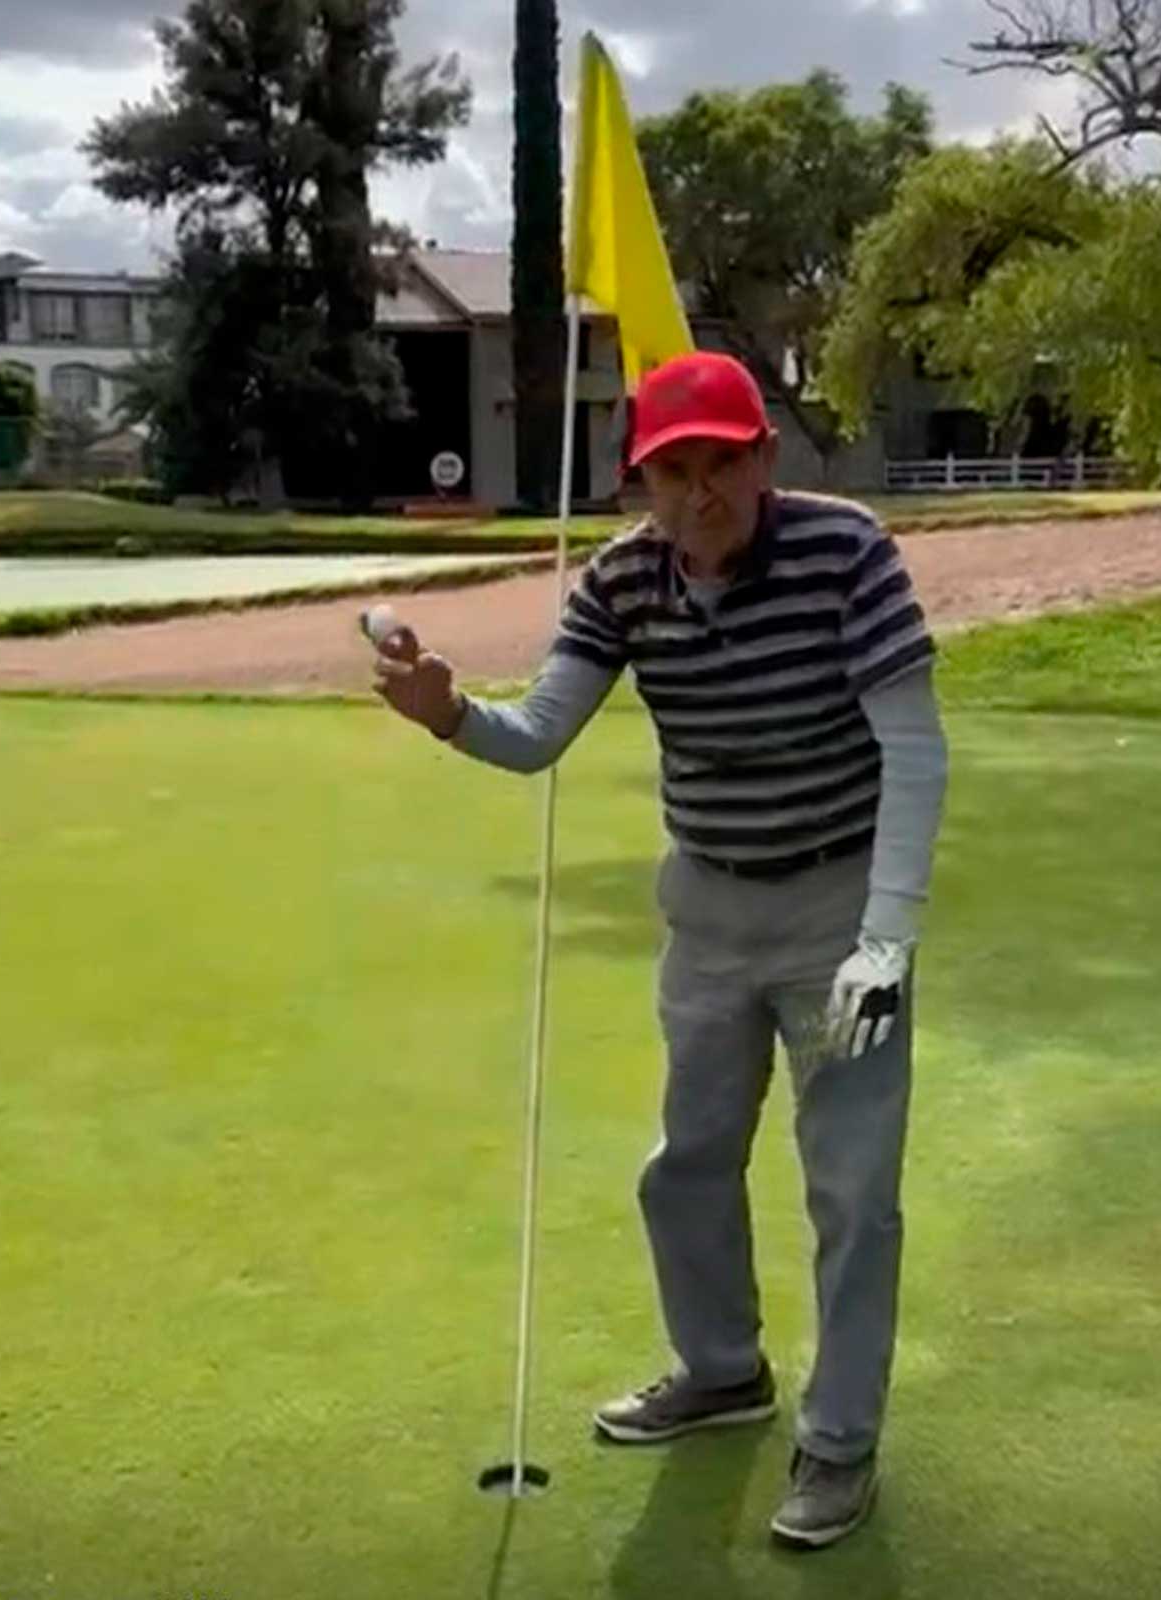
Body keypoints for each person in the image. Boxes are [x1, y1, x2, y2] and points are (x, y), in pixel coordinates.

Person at [370, 351, 948, 1550]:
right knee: (684, 1162)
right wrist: (447, 715)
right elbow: (536, 736)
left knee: (852, 1194)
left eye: (720, 464)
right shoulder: (622, 580)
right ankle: (721, 1368)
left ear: (763, 458)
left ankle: (838, 1444)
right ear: (640, 480)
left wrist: (886, 938)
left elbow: (914, 749)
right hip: (708, 910)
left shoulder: (847, 554)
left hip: (841, 909)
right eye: (671, 472)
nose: (699, 494)